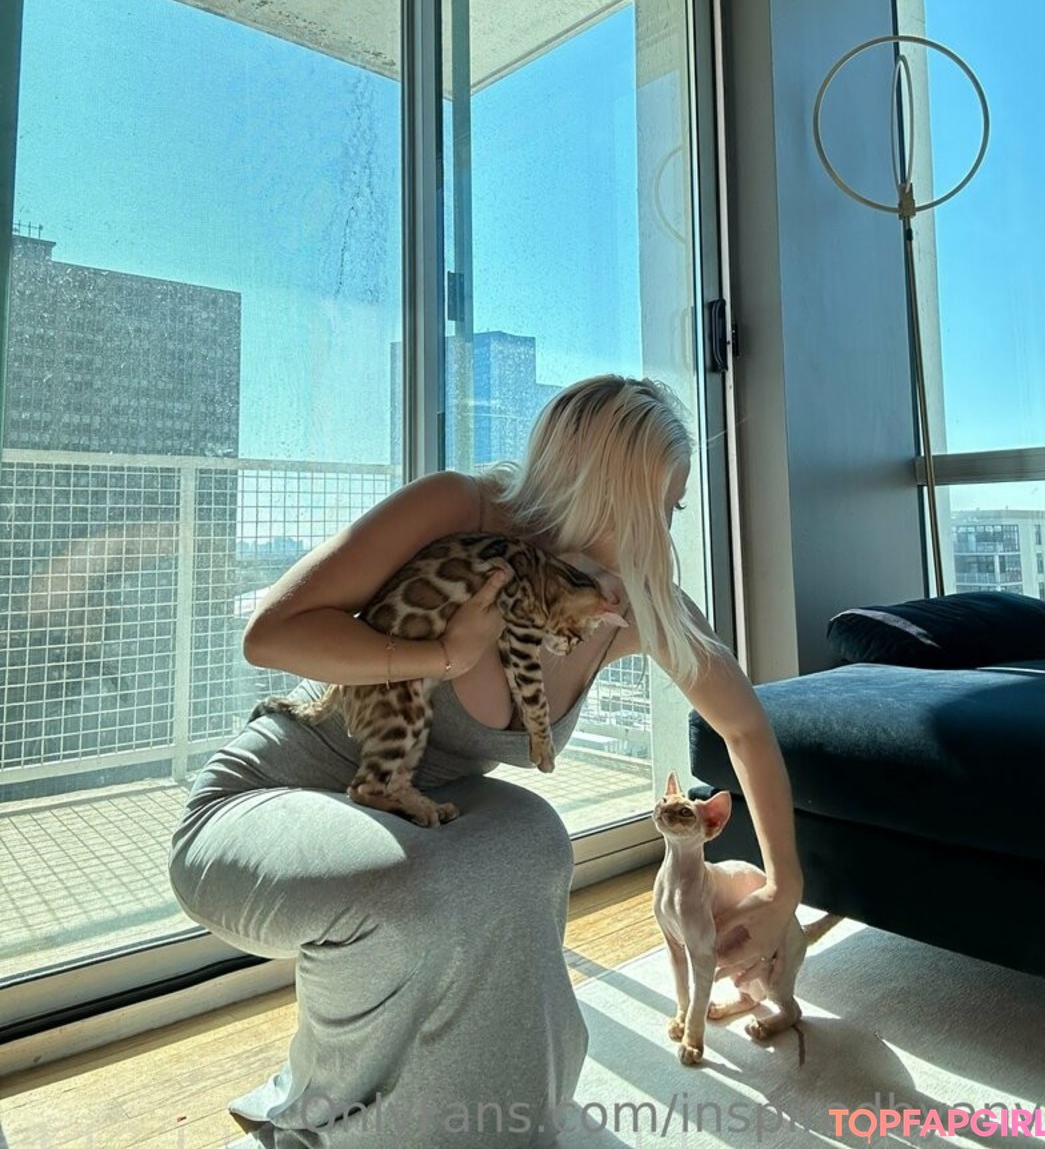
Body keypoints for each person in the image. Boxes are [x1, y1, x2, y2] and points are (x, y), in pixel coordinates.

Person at [168, 374, 803, 1148]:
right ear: (614, 492)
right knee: (409, 881)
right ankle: (323, 1117)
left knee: (535, 840)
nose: (668, 535)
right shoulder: (461, 510)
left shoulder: (626, 606)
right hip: (261, 800)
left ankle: (498, 1122)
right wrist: (438, 653)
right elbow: (269, 633)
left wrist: (784, 889)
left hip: (400, 821)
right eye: (666, 506)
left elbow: (745, 726)